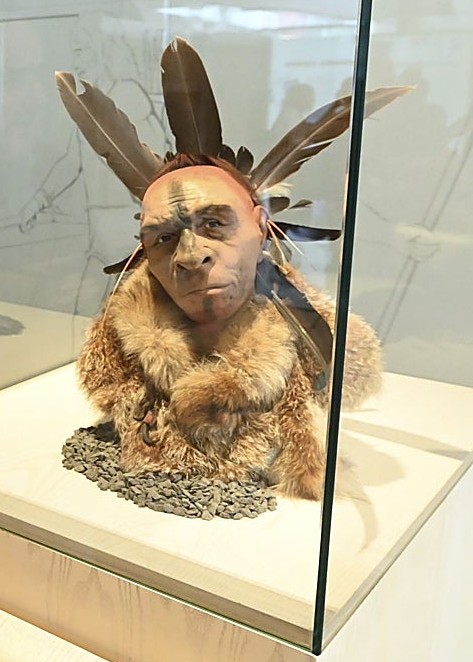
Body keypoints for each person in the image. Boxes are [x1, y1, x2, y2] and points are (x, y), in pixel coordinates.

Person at [76, 154, 382, 499]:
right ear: (144, 249)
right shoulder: (118, 350)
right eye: (163, 238)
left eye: (215, 224)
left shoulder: (315, 351)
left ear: (261, 226)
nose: (190, 256)